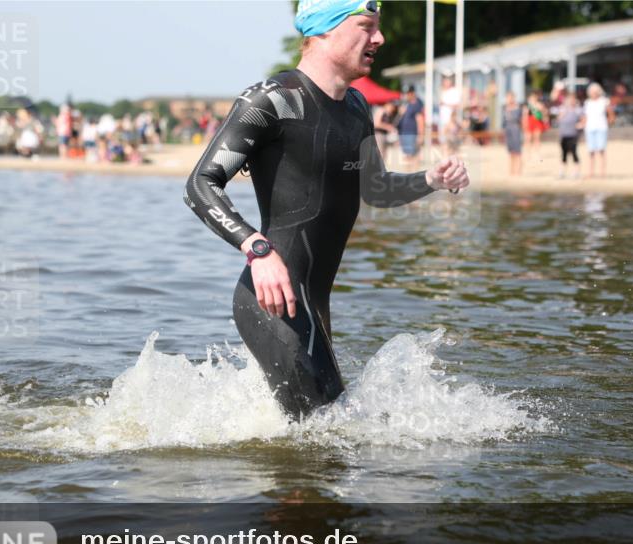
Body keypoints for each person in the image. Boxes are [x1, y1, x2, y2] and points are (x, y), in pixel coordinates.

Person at [183, 0, 469, 418]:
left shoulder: (356, 108)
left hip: (313, 306)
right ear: (325, 31)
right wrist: (256, 249)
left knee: (323, 436)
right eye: (366, 26)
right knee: (324, 438)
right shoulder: (272, 100)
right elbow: (199, 185)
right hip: (272, 301)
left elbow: (376, 189)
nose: (379, 38)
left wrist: (431, 180)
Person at [580, 82, 613, 178]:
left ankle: (602, 172)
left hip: (601, 128)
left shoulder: (604, 101)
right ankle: (591, 172)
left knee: (601, 150)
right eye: (591, 92)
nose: (593, 93)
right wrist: (582, 124)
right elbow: (585, 116)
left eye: (595, 91)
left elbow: (611, 114)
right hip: (589, 128)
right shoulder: (587, 102)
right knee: (591, 151)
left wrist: (608, 123)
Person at [557, 92, 582, 179]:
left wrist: (580, 125)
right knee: (563, 154)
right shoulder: (562, 109)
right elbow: (558, 119)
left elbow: (583, 120)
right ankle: (562, 172)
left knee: (574, 153)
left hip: (573, 134)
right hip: (564, 135)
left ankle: (576, 172)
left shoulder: (577, 110)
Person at [397, 85, 424, 168]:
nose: (405, 95)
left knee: (414, 156)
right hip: (404, 133)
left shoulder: (417, 104)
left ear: (412, 93)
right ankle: (409, 176)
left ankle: (414, 176)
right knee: (407, 157)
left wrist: (420, 135)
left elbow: (420, 120)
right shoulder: (406, 104)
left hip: (412, 133)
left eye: (407, 93)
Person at [502, 91, 524, 176]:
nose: (509, 99)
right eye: (508, 97)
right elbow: (503, 122)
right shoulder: (504, 108)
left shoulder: (518, 108)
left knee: (517, 151)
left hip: (516, 129)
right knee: (510, 152)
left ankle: (518, 170)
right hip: (508, 130)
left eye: (510, 97)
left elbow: (521, 121)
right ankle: (511, 170)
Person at [524, 91, 547, 158]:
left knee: (537, 138)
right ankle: (528, 153)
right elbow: (525, 115)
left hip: (537, 122)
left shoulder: (539, 104)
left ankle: (537, 152)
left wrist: (543, 116)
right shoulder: (528, 106)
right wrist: (525, 123)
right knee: (528, 138)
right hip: (530, 122)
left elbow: (544, 112)